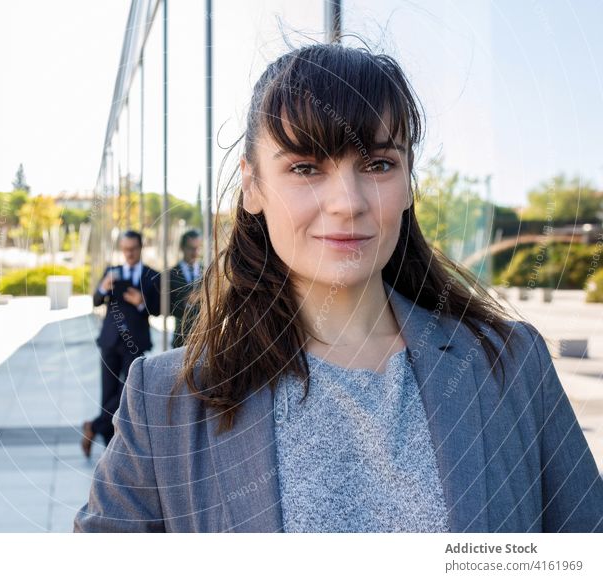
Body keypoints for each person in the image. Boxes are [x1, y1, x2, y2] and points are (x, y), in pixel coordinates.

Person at [74, 42, 603, 532]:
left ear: (408, 184)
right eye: (305, 167)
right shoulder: (165, 401)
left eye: (378, 164)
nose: (347, 201)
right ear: (252, 187)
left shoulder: (508, 365)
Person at [81, 230, 160, 458]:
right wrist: (104, 286)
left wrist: (141, 302)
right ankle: (109, 447)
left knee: (129, 391)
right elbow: (95, 300)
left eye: (133, 249)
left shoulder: (151, 275)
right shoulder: (111, 272)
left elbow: (158, 309)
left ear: (140, 248)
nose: (129, 253)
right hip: (110, 340)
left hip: (135, 343)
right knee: (108, 393)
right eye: (125, 249)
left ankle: (93, 427)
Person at [169, 229, 202, 348]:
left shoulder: (208, 272)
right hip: (180, 338)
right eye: (191, 248)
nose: (195, 252)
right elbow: (166, 306)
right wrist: (186, 302)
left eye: (198, 248)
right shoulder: (171, 274)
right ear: (182, 248)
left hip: (203, 339)